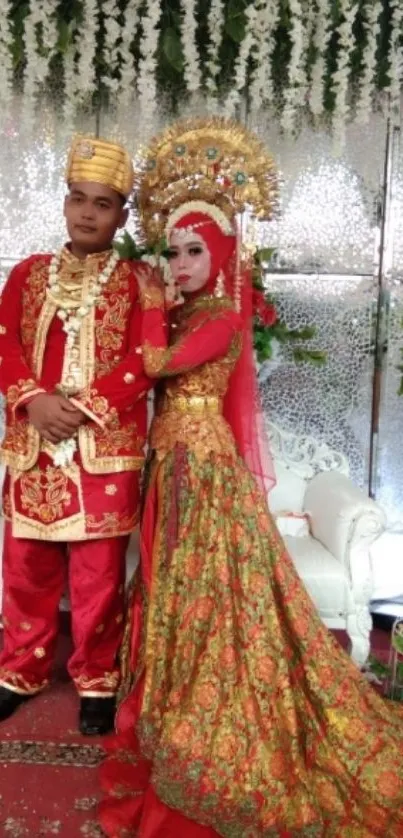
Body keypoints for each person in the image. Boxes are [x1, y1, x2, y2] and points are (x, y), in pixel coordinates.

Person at [99, 118, 403, 836]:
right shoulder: (188, 311)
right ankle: (172, 690)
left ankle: (212, 700)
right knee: (176, 580)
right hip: (173, 464)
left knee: (211, 588)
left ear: (224, 251)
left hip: (201, 468)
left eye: (194, 250)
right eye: (171, 251)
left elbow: (152, 370)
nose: (178, 263)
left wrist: (147, 302)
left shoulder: (218, 321)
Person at [0, 134, 155, 735]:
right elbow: (5, 342)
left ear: (122, 214)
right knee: (27, 566)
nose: (88, 212)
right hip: (34, 440)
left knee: (97, 575)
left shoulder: (141, 280)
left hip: (102, 447)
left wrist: (82, 407)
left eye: (104, 202)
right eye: (78, 199)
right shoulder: (28, 274)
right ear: (65, 204)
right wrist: (33, 401)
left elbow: (144, 360)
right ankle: (20, 670)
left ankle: (97, 677)